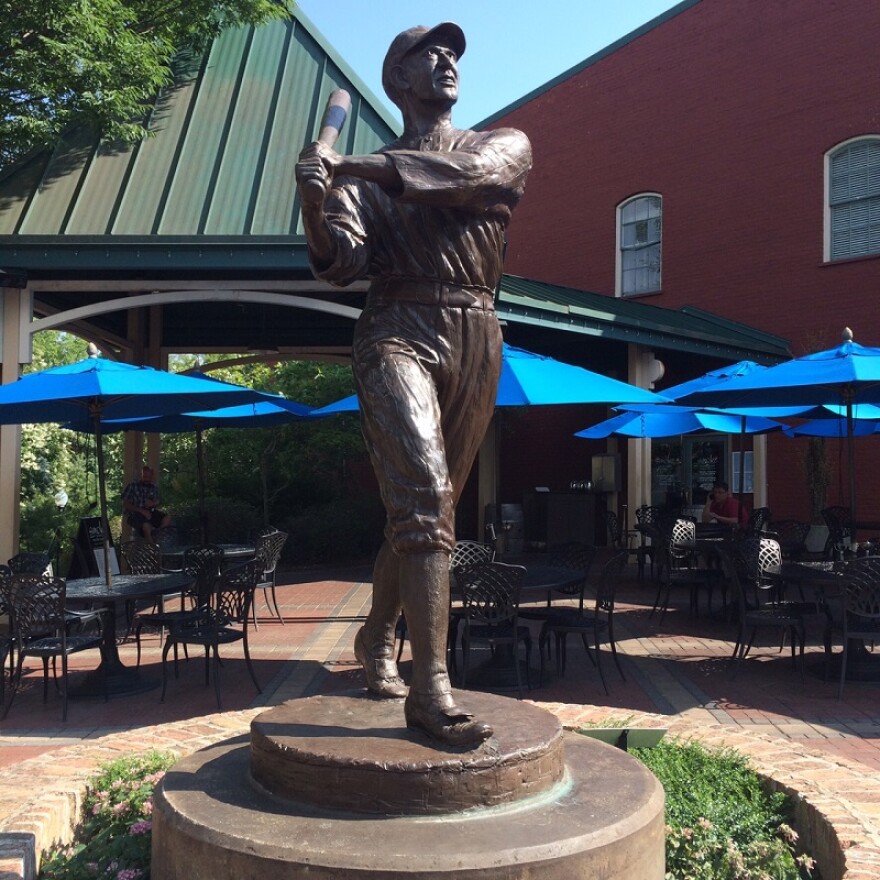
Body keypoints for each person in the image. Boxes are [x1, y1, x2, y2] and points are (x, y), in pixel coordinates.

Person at [295, 22, 531, 746]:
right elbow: (339, 263)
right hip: (395, 326)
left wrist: (357, 169)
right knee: (426, 500)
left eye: (453, 53)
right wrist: (314, 197)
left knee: (428, 512)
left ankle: (375, 637)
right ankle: (431, 690)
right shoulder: (356, 179)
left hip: (476, 329)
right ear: (398, 79)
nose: (447, 62)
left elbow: (472, 183)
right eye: (430, 53)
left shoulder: (505, 142)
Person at [123, 465, 172, 541]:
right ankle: (150, 547)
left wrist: (154, 503)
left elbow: (158, 501)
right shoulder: (132, 486)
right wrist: (141, 510)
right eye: (145, 476)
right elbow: (126, 504)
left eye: (149, 477)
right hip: (135, 513)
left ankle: (157, 537)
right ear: (141, 475)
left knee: (167, 518)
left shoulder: (154, 488)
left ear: (152, 476)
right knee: (146, 526)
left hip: (150, 512)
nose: (147, 479)